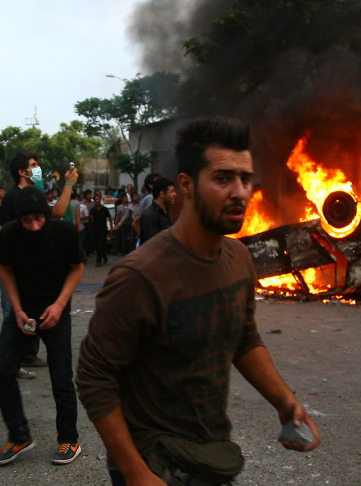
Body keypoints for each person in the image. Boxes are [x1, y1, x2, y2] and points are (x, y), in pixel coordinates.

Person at [75, 116, 320, 486]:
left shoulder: (239, 259)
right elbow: (95, 376)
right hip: (153, 461)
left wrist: (283, 399)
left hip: (209, 453)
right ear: (186, 185)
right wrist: (135, 472)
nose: (239, 191)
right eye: (223, 179)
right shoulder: (140, 276)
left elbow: (244, 338)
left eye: (245, 178)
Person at [0, 187, 84, 466]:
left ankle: (69, 439)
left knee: (61, 378)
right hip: (23, 313)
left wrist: (59, 305)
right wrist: (17, 309)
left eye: (38, 218)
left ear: (46, 213)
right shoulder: (9, 234)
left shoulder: (64, 232)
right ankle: (19, 436)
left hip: (55, 311)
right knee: (2, 369)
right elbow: (5, 269)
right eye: (26, 220)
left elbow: (77, 267)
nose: (33, 226)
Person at [0, 152, 79, 371]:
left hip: (34, 272)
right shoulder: (14, 197)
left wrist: (69, 183)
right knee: (13, 313)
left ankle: (27, 355)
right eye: (34, 165)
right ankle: (11, 361)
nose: (38, 168)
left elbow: (57, 212)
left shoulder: (35, 195)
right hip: (16, 270)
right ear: (22, 172)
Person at [138, 177, 175, 245]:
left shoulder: (166, 211)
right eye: (172, 192)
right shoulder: (150, 215)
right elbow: (152, 245)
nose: (175, 194)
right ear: (162, 194)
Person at [88, 194, 113, 266]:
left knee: (100, 244)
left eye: (98, 199)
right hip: (95, 230)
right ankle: (104, 256)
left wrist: (111, 228)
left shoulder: (104, 209)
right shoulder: (93, 210)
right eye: (96, 199)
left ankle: (98, 261)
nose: (97, 201)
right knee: (98, 245)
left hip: (103, 229)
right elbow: (91, 219)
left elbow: (110, 218)